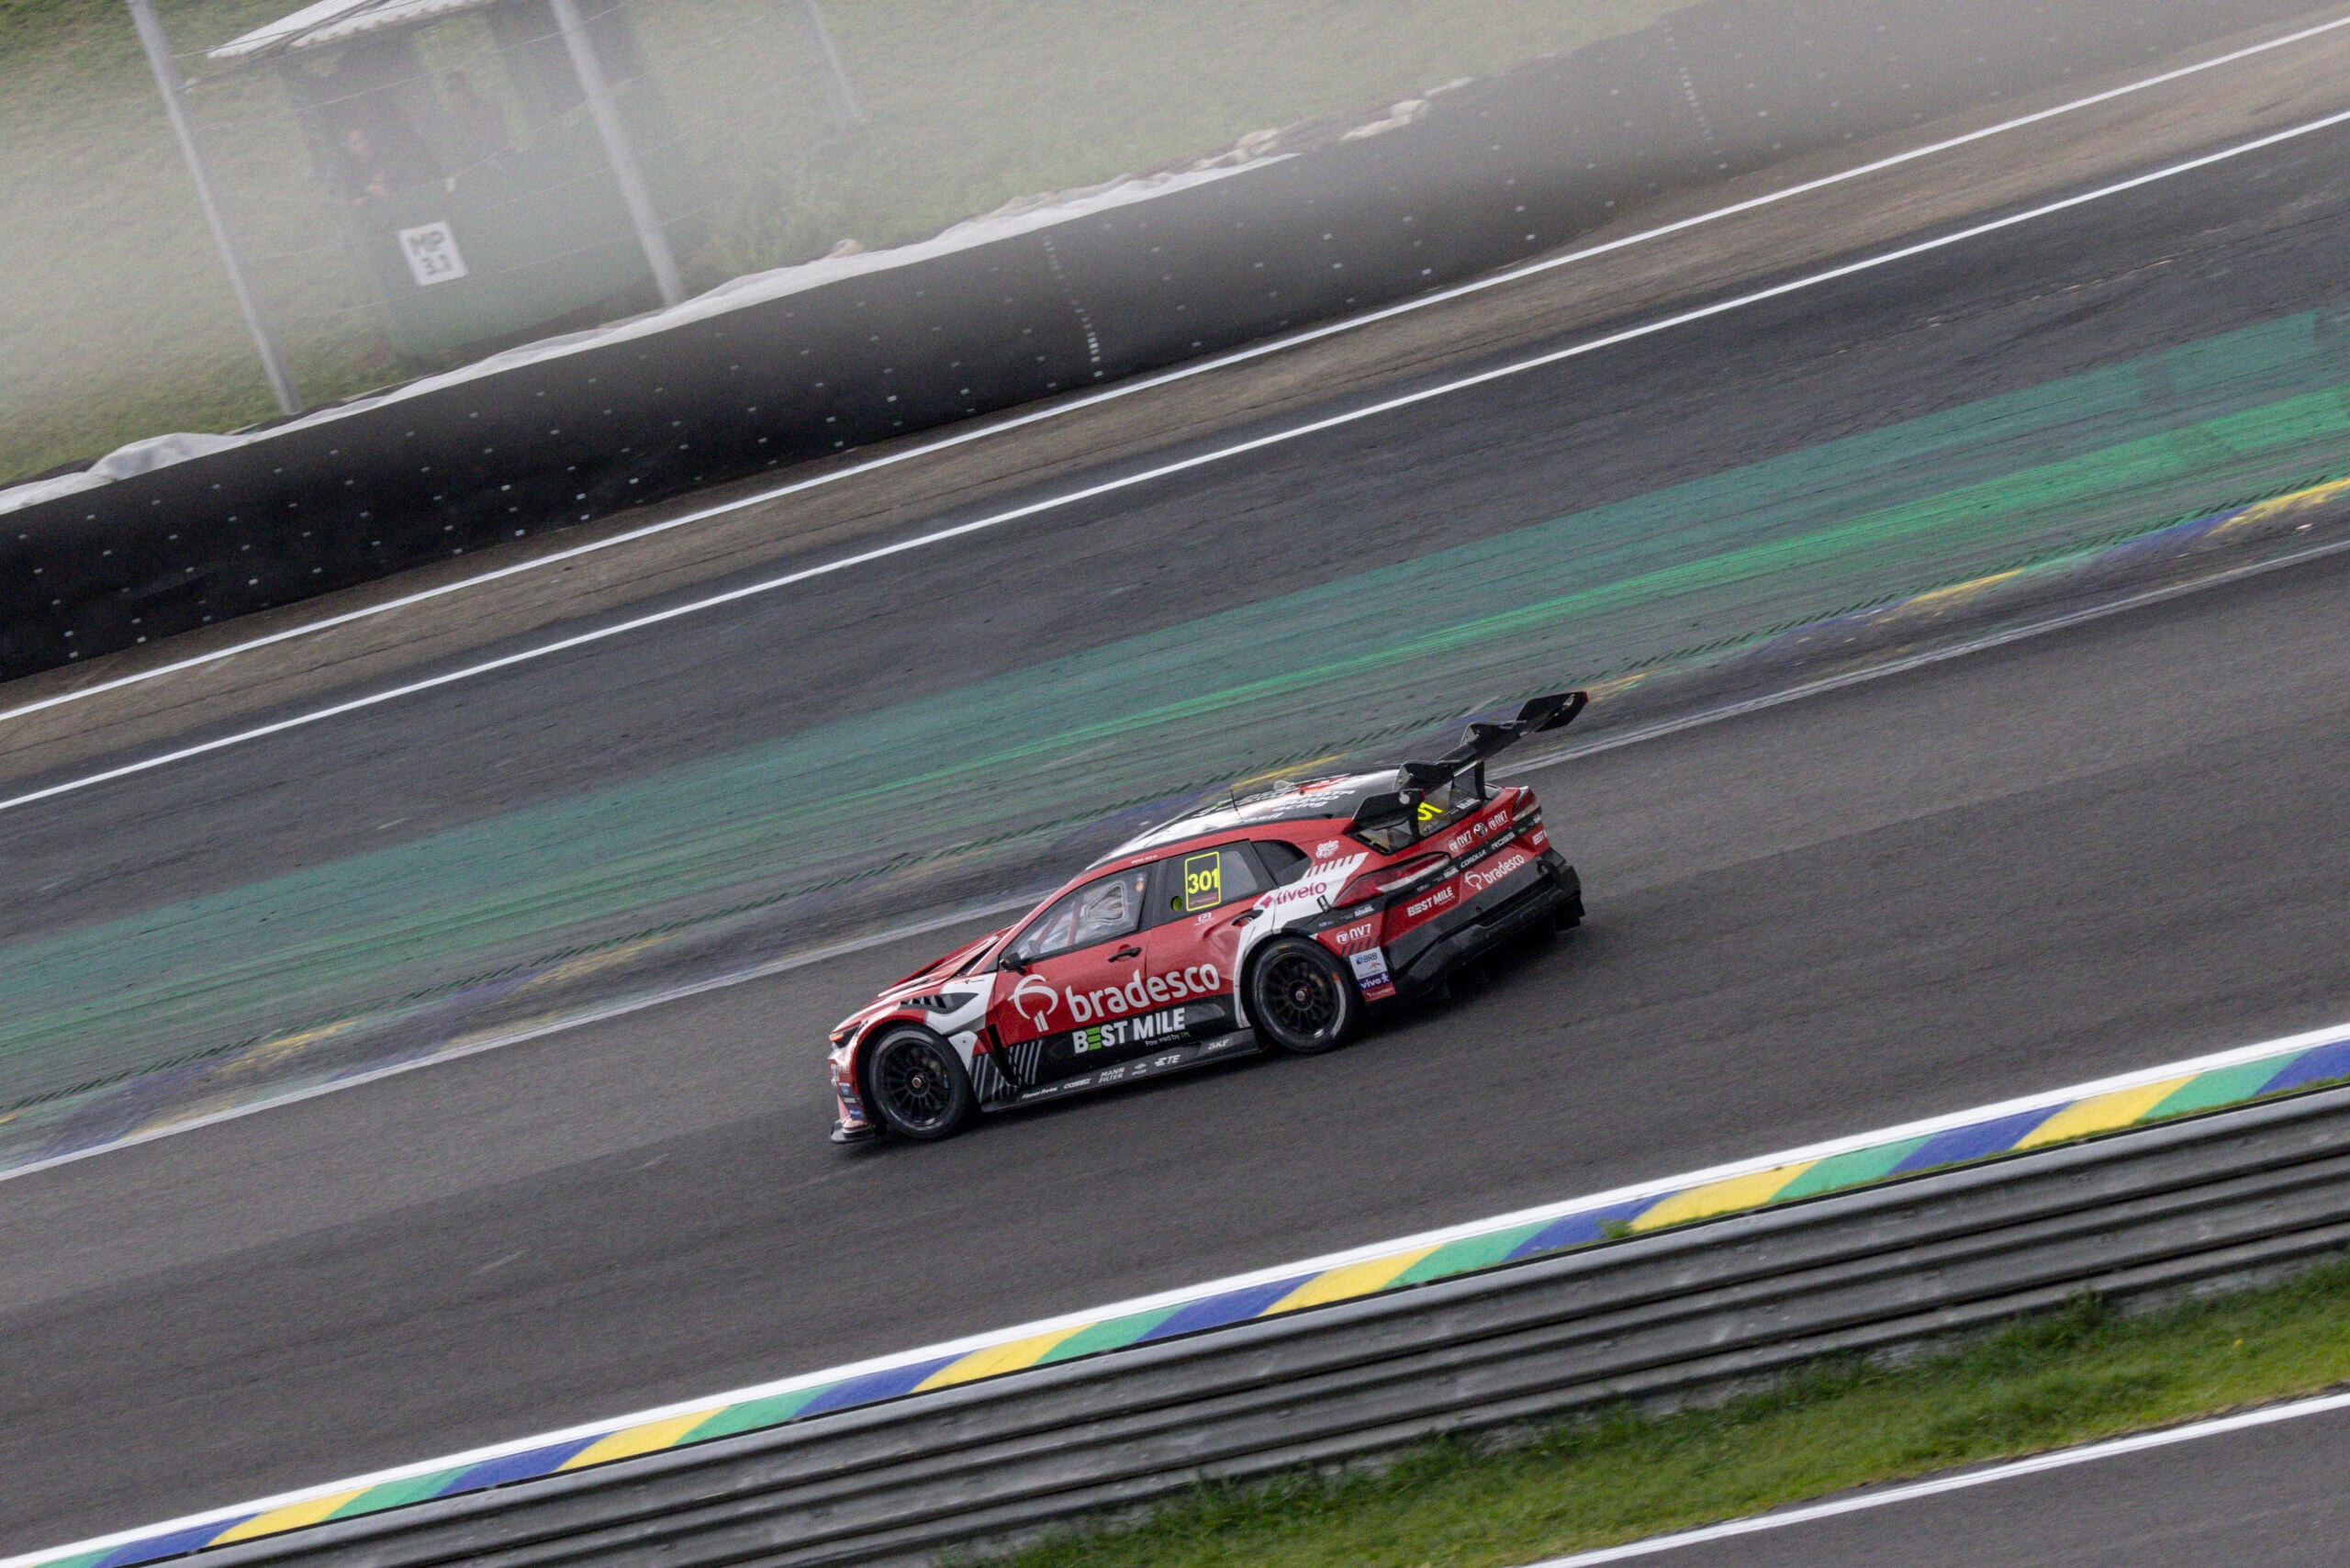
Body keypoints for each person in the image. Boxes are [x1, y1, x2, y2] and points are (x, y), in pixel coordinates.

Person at [442, 70, 509, 174]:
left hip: (502, 164)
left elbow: (500, 139)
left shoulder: (491, 109)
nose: (459, 92)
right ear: (449, 95)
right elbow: (455, 152)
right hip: (474, 172)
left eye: (460, 86)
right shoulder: (450, 122)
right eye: (452, 90)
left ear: (468, 86)